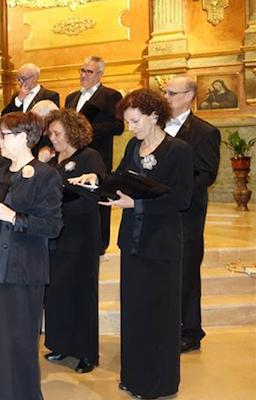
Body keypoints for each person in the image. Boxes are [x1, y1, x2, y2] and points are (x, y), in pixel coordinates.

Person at [71, 89, 192, 399]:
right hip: (133, 242)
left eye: (135, 121)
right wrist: (96, 180)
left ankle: (158, 383)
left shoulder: (178, 150)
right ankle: (134, 375)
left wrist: (135, 206)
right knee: (134, 313)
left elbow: (181, 199)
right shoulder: (133, 147)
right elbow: (120, 180)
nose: (130, 127)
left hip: (161, 243)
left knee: (159, 316)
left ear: (154, 116)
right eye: (126, 121)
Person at [0, 112, 63, 399]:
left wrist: (13, 217)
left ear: (25, 137)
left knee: (19, 342)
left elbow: (52, 226)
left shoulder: (46, 174)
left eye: (4, 135)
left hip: (24, 270)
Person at [41, 109, 106, 374]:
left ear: (71, 131)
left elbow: (96, 191)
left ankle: (86, 352)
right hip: (57, 233)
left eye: (57, 133)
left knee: (81, 293)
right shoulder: (55, 160)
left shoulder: (90, 156)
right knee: (57, 292)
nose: (53, 138)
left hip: (81, 235)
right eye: (51, 134)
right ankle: (60, 344)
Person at [163, 75, 221, 353]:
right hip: (159, 213)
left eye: (172, 93)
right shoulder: (157, 127)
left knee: (186, 272)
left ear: (189, 96)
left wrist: (173, 191)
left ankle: (189, 331)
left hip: (187, 213)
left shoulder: (205, 131)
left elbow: (206, 174)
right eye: (165, 93)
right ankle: (165, 324)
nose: (167, 98)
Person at [64, 55, 124, 253]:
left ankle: (100, 243)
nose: (83, 75)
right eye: (82, 70)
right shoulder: (71, 97)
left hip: (97, 155)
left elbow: (117, 126)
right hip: (73, 155)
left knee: (98, 198)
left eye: (88, 71)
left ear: (100, 74)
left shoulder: (111, 96)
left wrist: (86, 128)